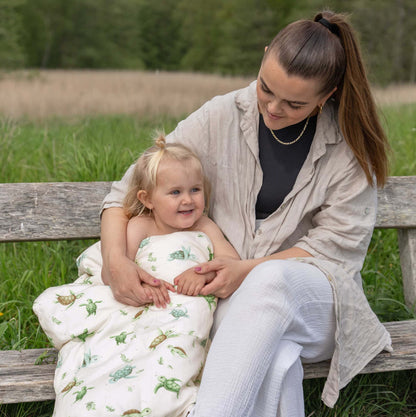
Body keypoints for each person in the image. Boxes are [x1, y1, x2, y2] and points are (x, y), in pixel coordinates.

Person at [99, 10, 392, 417]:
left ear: (329, 95)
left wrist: (247, 269)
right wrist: (116, 262)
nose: (272, 108)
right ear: (266, 53)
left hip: (319, 303)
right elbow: (122, 194)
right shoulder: (220, 115)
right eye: (266, 88)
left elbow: (335, 251)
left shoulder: (348, 148)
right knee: (275, 359)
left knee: (269, 280)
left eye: (294, 103)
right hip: (232, 301)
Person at [33, 136, 239, 417]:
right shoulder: (140, 226)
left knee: (182, 334)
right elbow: (123, 271)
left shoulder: (205, 226)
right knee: (118, 346)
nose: (188, 200)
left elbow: (230, 261)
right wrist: (142, 284)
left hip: (182, 306)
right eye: (175, 192)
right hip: (144, 304)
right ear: (148, 199)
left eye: (195, 190)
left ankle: (163, 393)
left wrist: (202, 272)